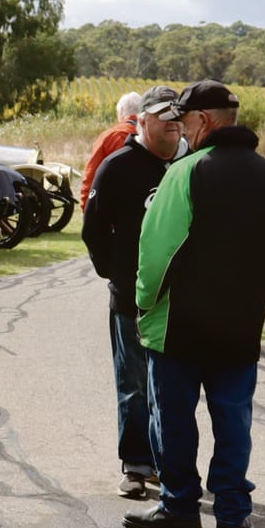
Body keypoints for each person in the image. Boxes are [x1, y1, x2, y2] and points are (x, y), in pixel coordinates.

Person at [126, 80, 265, 528]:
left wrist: (145, 304)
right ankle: (231, 515)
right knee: (233, 420)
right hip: (240, 325)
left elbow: (157, 251)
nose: (181, 130)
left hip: (179, 326)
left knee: (174, 418)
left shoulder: (184, 173)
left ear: (203, 121)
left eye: (184, 121)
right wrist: (253, 298)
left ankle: (180, 508)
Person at [82, 84, 185, 499]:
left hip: (184, 302)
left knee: (176, 386)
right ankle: (137, 465)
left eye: (177, 116)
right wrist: (118, 275)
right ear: (143, 120)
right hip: (134, 298)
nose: (172, 125)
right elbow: (93, 229)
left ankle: (171, 466)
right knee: (135, 383)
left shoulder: (193, 164)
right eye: (163, 117)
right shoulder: (119, 165)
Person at [79, 90, 142, 209]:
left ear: (121, 113)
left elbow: (91, 176)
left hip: (111, 209)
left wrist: (86, 208)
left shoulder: (108, 137)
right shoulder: (153, 137)